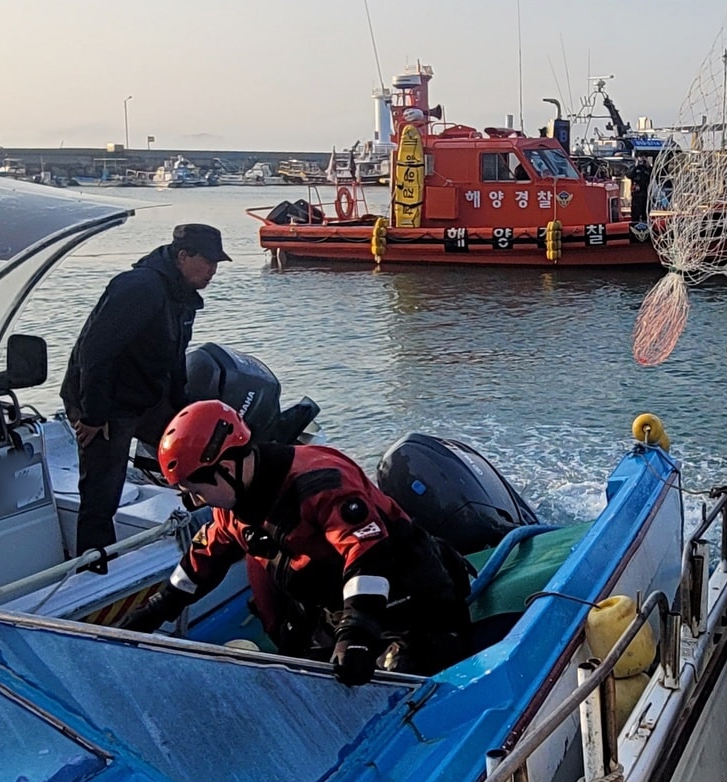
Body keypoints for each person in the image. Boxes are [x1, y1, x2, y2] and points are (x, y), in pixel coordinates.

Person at [119, 400, 475, 686]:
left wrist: (357, 634)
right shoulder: (233, 508)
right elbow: (199, 565)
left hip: (414, 603)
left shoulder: (320, 483)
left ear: (227, 465)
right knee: (305, 680)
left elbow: (369, 557)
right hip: (336, 608)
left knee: (395, 684)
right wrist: (149, 614)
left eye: (197, 491)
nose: (197, 502)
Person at [60, 223, 229, 572]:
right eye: (209, 262)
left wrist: (186, 413)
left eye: (217, 263)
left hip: (144, 395)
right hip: (102, 399)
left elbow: (175, 360)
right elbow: (94, 353)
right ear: (183, 256)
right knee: (102, 489)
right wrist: (92, 415)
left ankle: (214, 530)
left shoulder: (180, 295)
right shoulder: (140, 288)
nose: (213, 270)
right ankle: (93, 566)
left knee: (199, 451)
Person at [627, 156, 653, 224]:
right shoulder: (634, 169)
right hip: (636, 196)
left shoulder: (647, 169)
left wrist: (648, 165)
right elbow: (628, 175)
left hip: (646, 195)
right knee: (635, 214)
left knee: (645, 214)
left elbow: (653, 175)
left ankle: (646, 227)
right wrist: (636, 165)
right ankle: (634, 228)